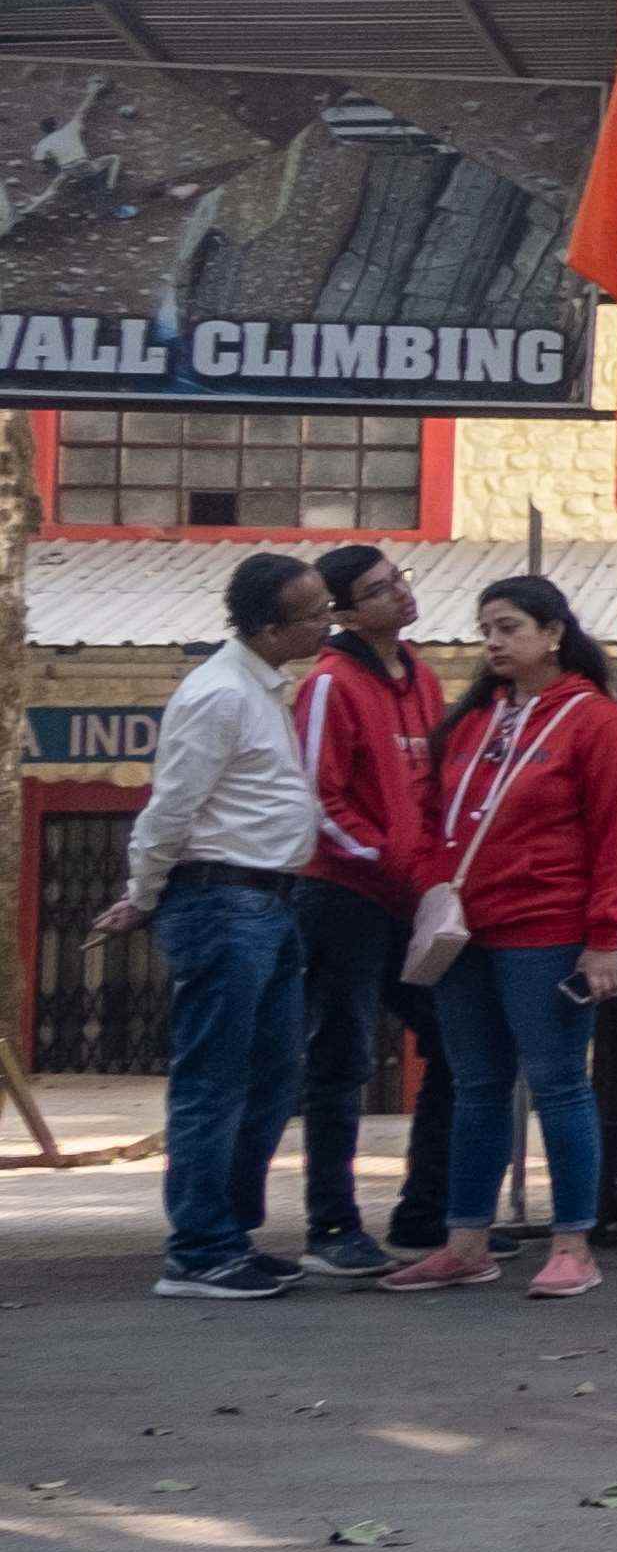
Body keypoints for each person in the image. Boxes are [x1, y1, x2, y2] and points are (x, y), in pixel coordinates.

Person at [380, 573, 617, 1301]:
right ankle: (465, 1242)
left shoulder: (594, 722)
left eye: (509, 627)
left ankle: (572, 1245)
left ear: (554, 633)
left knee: (557, 1082)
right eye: (486, 628)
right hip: (465, 933)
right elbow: (433, 818)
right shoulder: (472, 720)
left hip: (547, 929)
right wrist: (434, 887)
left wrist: (603, 935)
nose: (493, 641)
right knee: (474, 1086)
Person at [110, 548, 331, 1302]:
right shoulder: (219, 695)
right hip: (223, 904)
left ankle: (228, 1234)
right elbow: (171, 808)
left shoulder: (265, 689)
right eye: (314, 615)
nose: (327, 624)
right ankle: (198, 1249)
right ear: (270, 627)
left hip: (268, 902)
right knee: (214, 1079)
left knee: (272, 1075)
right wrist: (143, 891)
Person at [282, 544, 454, 1269]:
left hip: (411, 897)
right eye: (380, 590)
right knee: (343, 1057)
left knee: (454, 1044)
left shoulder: (423, 679)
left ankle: (427, 1217)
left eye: (400, 580)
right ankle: (332, 1227)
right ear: (346, 612)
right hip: (344, 896)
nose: (400, 595)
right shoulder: (329, 684)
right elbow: (319, 801)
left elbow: (438, 788)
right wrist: (390, 861)